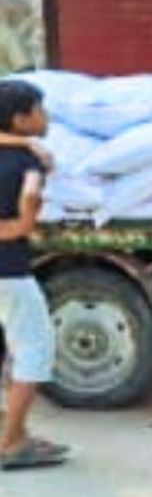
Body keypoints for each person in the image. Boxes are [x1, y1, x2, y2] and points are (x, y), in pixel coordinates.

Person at [0, 80, 65, 471]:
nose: (46, 117)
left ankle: (14, 433)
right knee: (34, 351)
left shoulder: (24, 152)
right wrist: (23, 221)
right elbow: (27, 209)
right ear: (20, 118)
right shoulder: (29, 165)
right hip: (9, 271)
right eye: (39, 110)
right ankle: (10, 443)